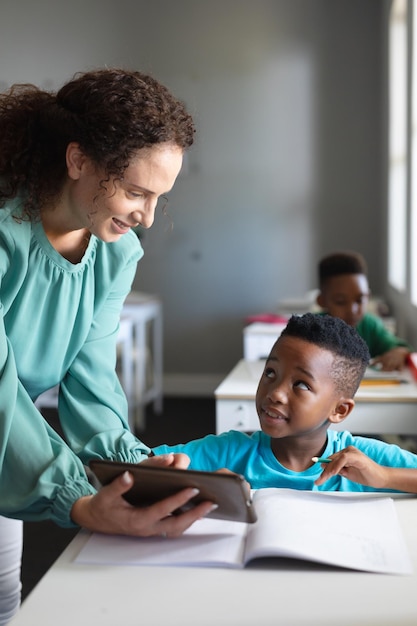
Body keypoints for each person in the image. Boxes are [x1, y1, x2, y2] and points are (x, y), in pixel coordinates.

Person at [0, 68, 216, 625]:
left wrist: (134, 472)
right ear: (78, 161)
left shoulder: (116, 256)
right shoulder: (5, 236)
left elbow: (91, 378)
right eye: (136, 192)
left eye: (158, 198)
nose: (146, 216)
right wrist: (74, 497)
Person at [153, 313, 417, 491]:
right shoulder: (229, 452)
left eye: (300, 384)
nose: (275, 393)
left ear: (339, 410)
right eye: (270, 373)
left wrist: (384, 477)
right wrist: (200, 485)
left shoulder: (364, 460)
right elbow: (141, 466)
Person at [316, 250, 412, 371]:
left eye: (360, 300)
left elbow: (399, 346)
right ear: (322, 301)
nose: (352, 310)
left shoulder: (370, 326)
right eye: (340, 302)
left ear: (368, 296)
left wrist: (398, 352)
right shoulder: (312, 329)